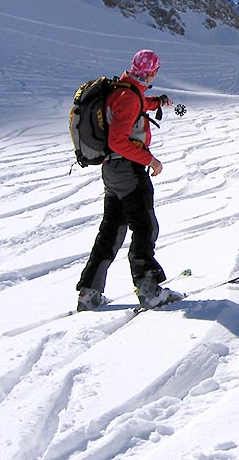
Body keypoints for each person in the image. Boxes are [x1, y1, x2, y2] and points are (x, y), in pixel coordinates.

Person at [76, 49, 183, 310]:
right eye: (156, 71)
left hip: (113, 171)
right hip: (128, 170)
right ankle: (149, 289)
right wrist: (151, 161)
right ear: (151, 71)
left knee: (112, 230)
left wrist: (157, 102)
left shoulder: (122, 89)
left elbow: (138, 103)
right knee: (145, 226)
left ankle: (89, 293)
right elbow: (118, 140)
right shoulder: (128, 96)